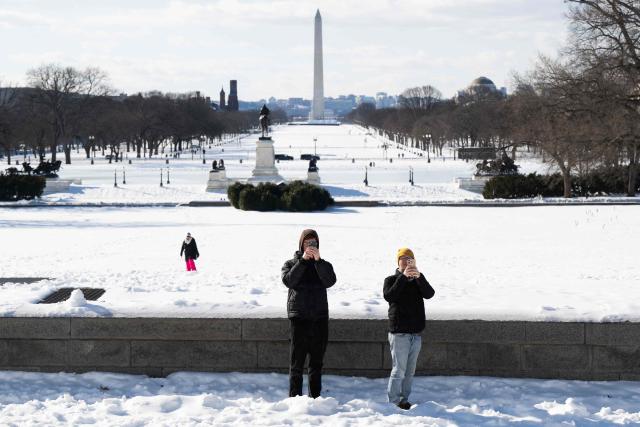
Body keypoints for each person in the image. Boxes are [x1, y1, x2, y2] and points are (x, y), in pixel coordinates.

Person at [281, 229, 336, 398]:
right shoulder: (291, 263)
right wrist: (303, 262)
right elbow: (289, 280)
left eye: (313, 243)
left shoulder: (324, 264)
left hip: (319, 318)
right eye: (307, 243)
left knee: (316, 363)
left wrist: (318, 262)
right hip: (299, 318)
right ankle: (294, 398)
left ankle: (316, 398)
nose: (310, 246)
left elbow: (330, 281)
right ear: (301, 244)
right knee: (296, 362)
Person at [383, 248, 435, 410]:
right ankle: (393, 401)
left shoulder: (418, 279)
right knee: (399, 370)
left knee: (410, 371)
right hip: (399, 333)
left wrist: (419, 278)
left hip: (416, 333)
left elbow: (429, 294)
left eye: (409, 259)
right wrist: (403, 278)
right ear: (398, 262)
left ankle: (404, 400)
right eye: (403, 259)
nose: (406, 262)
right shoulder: (391, 279)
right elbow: (389, 296)